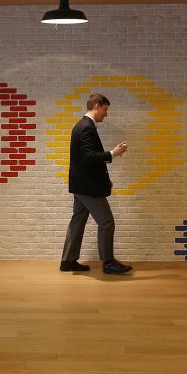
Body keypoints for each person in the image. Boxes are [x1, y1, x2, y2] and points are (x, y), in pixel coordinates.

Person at [60, 93, 133, 275]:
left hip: (82, 185)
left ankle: (68, 261)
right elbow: (88, 157)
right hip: (88, 187)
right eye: (105, 109)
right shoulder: (86, 127)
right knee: (107, 222)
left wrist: (105, 178)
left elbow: (86, 160)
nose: (106, 114)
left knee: (77, 221)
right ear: (97, 106)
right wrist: (112, 153)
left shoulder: (83, 125)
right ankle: (108, 263)